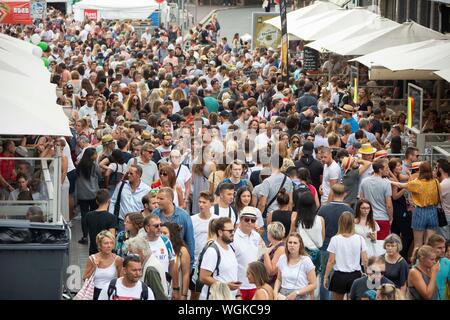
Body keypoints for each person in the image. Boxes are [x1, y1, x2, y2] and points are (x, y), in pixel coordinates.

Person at [390, 161, 440, 250]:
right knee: (429, 243)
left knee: (418, 244)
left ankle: (417, 262)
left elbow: (400, 185)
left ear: (420, 171)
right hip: (433, 211)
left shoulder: (417, 183)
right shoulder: (436, 181)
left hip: (420, 212)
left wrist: (388, 181)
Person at [318, 183, 354, 300]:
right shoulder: (349, 210)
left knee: (325, 275)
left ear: (332, 193)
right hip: (344, 247)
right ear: (345, 194)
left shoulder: (323, 209)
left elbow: (319, 228)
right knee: (342, 274)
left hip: (326, 245)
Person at [324, 212, 369, 300]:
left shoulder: (335, 239)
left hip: (339, 276)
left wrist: (326, 277)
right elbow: (365, 260)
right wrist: (367, 274)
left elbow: (331, 261)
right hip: (355, 276)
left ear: (340, 223)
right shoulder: (360, 239)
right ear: (353, 223)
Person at [152, 187, 195, 270]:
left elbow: (190, 242)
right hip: (159, 257)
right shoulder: (154, 214)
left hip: (178, 257)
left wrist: (189, 267)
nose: (157, 201)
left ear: (170, 200)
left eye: (161, 198)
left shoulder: (184, 216)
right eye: (157, 198)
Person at [199, 217, 240, 300]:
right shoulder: (212, 251)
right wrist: (225, 286)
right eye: (230, 231)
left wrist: (238, 296)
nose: (233, 233)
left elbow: (232, 275)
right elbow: (203, 277)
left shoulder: (231, 248)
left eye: (233, 230)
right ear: (220, 232)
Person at [142, 214, 178, 298]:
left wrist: (176, 288)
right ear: (147, 228)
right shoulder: (140, 243)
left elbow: (172, 265)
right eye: (156, 226)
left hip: (164, 285)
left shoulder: (166, 241)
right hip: (146, 284)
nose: (159, 228)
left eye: (160, 225)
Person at [190, 192, 218, 300]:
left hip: (212, 263)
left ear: (211, 203)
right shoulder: (192, 220)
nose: (201, 205)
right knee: (195, 294)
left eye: (204, 202)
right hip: (196, 263)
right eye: (199, 202)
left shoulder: (217, 220)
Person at [233, 206, 265, 300]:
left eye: (253, 220)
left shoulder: (257, 236)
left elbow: (261, 256)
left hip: (255, 286)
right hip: (239, 286)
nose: (250, 222)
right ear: (240, 219)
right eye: (247, 219)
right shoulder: (234, 238)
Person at [274, 233, 317, 300]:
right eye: (290, 242)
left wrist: (296, 292)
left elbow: (313, 284)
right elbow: (279, 279)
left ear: (300, 245)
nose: (292, 245)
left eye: (295, 243)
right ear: (287, 244)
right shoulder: (282, 258)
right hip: (282, 295)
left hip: (300, 295)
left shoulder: (306, 260)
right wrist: (275, 292)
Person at [109, 164, 151, 232]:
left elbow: (148, 207)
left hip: (138, 223)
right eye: (128, 173)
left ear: (138, 175)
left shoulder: (147, 189)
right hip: (122, 222)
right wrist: (111, 217)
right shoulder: (121, 185)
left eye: (131, 173)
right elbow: (113, 201)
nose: (128, 175)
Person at [82, 231, 123, 300]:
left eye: (111, 243)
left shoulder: (118, 260)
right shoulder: (92, 259)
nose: (109, 246)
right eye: (106, 243)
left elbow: (121, 279)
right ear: (100, 245)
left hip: (111, 293)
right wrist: (94, 267)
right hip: (95, 292)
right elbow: (85, 278)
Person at [360, 158, 393, 240]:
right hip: (382, 218)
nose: (388, 170)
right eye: (386, 168)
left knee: (368, 244)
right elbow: (389, 205)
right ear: (380, 169)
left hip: (368, 217)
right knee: (382, 245)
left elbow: (361, 200)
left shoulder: (364, 181)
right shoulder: (386, 183)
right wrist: (391, 217)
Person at [292, 191, 324, 274]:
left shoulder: (296, 220)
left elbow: (292, 237)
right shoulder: (320, 220)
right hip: (316, 254)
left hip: (300, 253)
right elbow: (322, 239)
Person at [388, 157, 413, 260]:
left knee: (396, 233)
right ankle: (402, 255)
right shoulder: (392, 179)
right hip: (397, 208)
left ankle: (396, 255)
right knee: (407, 234)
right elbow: (395, 196)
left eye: (400, 165)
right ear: (393, 167)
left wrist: (410, 175)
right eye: (398, 165)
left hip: (399, 207)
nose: (400, 167)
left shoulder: (397, 176)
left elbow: (407, 179)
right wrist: (406, 187)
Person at [76, 147, 101, 244]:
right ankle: (94, 236)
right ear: (91, 156)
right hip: (94, 193)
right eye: (95, 154)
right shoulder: (94, 166)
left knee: (84, 215)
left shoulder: (79, 165)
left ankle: (85, 236)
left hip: (82, 194)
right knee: (94, 214)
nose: (96, 155)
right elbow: (100, 175)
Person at [257, 153, 293, 218]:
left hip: (271, 215)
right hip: (286, 214)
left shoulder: (267, 181)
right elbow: (290, 201)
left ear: (270, 163)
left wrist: (257, 218)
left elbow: (262, 204)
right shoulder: (288, 180)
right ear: (281, 165)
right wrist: (289, 214)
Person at [163, 222, 191, 300]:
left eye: (165, 233)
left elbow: (186, 274)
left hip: (177, 290)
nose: (162, 235)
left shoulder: (182, 250)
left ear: (172, 235)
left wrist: (184, 295)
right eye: (161, 233)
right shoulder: (160, 248)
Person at [85, 189, 118, 255]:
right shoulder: (111, 217)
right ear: (109, 200)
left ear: (97, 201)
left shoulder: (88, 215)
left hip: (93, 250)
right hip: (106, 252)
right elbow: (112, 237)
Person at [260, 222, 286, 287]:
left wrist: (264, 251)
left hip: (271, 285)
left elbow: (271, 271)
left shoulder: (281, 248)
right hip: (263, 282)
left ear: (271, 234)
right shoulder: (272, 245)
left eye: (268, 231)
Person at [426, 234, 450, 300]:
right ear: (430, 248)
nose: (443, 250)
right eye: (439, 248)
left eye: (444, 247)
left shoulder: (448, 262)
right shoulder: (421, 263)